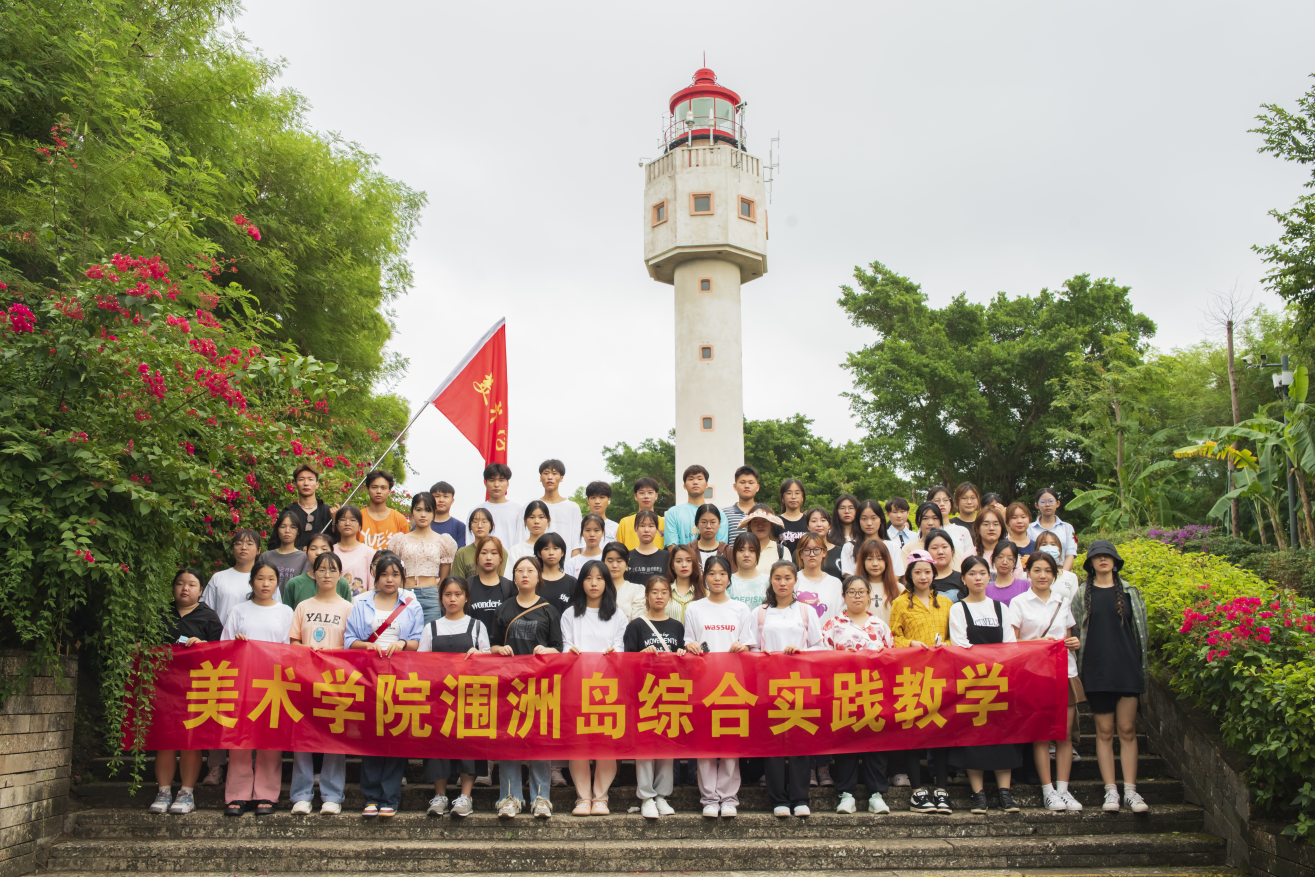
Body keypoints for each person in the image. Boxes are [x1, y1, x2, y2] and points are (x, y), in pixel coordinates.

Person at [1072, 540, 1150, 814]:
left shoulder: (1130, 592)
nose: (1103, 560)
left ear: (1115, 561)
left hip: (1126, 668)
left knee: (1127, 730)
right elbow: (1076, 630)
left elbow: (1142, 634)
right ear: (1090, 563)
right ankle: (1111, 791)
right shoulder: (1082, 594)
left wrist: (1142, 669)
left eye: (1107, 556)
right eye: (1097, 556)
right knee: (1104, 731)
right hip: (1096, 670)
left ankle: (1131, 790)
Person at [345, 552, 423, 817]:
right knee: (371, 735)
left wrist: (402, 643)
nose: (390, 579)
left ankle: (390, 797)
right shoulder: (361, 603)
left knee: (396, 734)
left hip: (400, 677)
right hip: (369, 676)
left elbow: (417, 640)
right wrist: (367, 646)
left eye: (395, 575)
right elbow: (349, 640)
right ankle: (371, 797)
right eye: (384, 575)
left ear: (402, 577)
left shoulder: (411, 604)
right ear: (375, 577)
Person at [741, 561, 822, 818]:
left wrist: (801, 651)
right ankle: (778, 799)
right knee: (773, 744)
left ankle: (800, 798)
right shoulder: (759, 613)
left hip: (801, 685)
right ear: (771, 581)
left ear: (795, 581)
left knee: (800, 743)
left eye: (787, 577)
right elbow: (750, 648)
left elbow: (819, 647)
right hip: (769, 686)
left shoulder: (807, 612)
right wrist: (761, 654)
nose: (782, 582)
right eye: (777, 578)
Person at [948, 556, 1022, 815]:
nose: (978, 578)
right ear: (963, 579)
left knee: (1004, 736)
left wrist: (995, 663)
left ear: (989, 577)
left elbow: (1010, 645)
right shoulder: (958, 609)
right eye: (972, 573)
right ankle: (978, 793)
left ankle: (1005, 793)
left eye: (982, 573)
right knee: (974, 738)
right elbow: (960, 645)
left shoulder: (1001, 608)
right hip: (972, 682)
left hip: (1000, 680)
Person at [490, 557, 562, 818]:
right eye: (519, 570)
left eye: (530, 570)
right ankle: (509, 797)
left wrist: (547, 650)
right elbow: (493, 645)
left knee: (538, 741)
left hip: (540, 686)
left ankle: (541, 798)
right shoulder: (504, 608)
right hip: (509, 685)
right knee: (509, 739)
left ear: (538, 576)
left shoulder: (549, 610)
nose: (524, 574)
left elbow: (559, 648)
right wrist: (500, 650)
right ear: (514, 577)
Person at [1012, 550, 1084, 812]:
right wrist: (1038, 643)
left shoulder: (1062, 601)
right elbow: (1012, 644)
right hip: (1034, 675)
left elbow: (1068, 636)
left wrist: (1074, 643)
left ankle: (1063, 789)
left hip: (1064, 671)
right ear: (1028, 573)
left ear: (1055, 575)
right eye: (1037, 570)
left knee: (1064, 734)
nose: (1042, 575)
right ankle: (1048, 790)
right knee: (1041, 734)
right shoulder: (1019, 602)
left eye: (1048, 571)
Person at [221, 560, 293, 817]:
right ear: (251, 582)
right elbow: (224, 646)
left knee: (270, 740)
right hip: (242, 683)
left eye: (271, 579)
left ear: (277, 583)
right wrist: (237, 643)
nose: (265, 584)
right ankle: (237, 794)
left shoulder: (285, 612)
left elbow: (289, 649)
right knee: (239, 739)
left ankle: (267, 793)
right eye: (260, 579)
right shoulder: (238, 610)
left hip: (274, 684)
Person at [682, 556, 751, 818]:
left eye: (722, 573)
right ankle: (709, 798)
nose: (717, 578)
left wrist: (743, 646)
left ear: (729, 578)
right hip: (703, 684)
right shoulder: (694, 608)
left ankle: (729, 797)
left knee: (730, 742)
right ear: (705, 577)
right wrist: (691, 645)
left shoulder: (740, 609)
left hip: (733, 685)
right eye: (712, 573)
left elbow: (749, 645)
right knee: (706, 742)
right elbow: (689, 641)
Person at [150, 569, 222, 815]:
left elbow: (222, 653)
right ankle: (163, 792)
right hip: (164, 687)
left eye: (191, 584)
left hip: (196, 688)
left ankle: (186, 793)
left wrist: (203, 646)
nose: (185, 588)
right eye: (180, 583)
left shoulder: (209, 617)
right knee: (165, 740)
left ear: (201, 590)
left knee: (190, 741)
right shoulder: (159, 614)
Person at [288, 552, 353, 816]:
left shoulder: (348, 608)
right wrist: (306, 650)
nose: (327, 574)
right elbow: (293, 641)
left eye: (332, 570)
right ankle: (301, 795)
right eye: (322, 569)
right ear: (313, 574)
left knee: (334, 737)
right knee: (302, 735)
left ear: (340, 575)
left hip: (336, 682)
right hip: (305, 679)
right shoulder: (303, 607)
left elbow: (352, 646)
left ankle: (332, 795)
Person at [888, 551, 953, 814]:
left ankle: (941, 788)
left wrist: (944, 644)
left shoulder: (947, 603)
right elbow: (893, 637)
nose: (923, 576)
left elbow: (955, 636)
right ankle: (917, 790)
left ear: (934, 574)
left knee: (941, 731)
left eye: (927, 571)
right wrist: (911, 643)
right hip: (911, 675)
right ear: (909, 575)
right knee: (913, 732)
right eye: (918, 572)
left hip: (941, 674)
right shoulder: (900, 603)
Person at [823, 575, 893, 817]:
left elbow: (892, 658)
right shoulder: (832, 625)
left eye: (862, 591)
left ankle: (876, 795)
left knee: (876, 743)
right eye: (852, 591)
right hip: (844, 693)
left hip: (875, 692)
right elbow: (821, 659)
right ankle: (846, 794)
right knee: (846, 744)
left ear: (869, 595)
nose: (857, 596)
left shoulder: (879, 625)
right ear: (843, 596)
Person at [420, 577, 490, 818]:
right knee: (437, 744)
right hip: (438, 698)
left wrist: (479, 655)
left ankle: (465, 796)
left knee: (468, 744)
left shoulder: (477, 626)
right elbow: (421, 664)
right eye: (448, 594)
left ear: (466, 597)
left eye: (458, 594)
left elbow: (489, 661)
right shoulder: (431, 628)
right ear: (441, 598)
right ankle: (440, 795)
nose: (452, 599)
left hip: (469, 697)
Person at [561, 559, 626, 815]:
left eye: (599, 578)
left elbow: (620, 646)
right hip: (577, 687)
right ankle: (582, 797)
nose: (594, 583)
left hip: (607, 688)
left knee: (605, 743)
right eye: (588, 578)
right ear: (581, 583)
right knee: (579, 743)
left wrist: (614, 653)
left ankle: (601, 797)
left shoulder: (617, 615)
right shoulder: (570, 614)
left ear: (607, 583)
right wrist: (570, 652)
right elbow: (566, 645)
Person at [625, 576, 686, 820]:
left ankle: (662, 795)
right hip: (644, 693)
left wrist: (681, 653)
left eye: (663, 592)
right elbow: (626, 662)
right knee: (645, 746)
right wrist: (641, 654)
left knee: (666, 746)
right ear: (647, 596)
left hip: (670, 691)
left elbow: (683, 660)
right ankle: (646, 796)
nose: (659, 596)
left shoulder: (677, 626)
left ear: (669, 596)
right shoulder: (636, 626)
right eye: (654, 592)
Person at [387, 492, 458, 622]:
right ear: (412, 512)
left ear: (434, 513)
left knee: (430, 633)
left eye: (428, 510)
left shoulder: (443, 541)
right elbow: (392, 570)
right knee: (404, 633)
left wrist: (438, 596)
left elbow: (444, 578)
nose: (423, 514)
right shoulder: (400, 539)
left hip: (431, 597)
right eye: (418, 510)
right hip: (404, 594)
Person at [200, 529, 262, 629]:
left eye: (249, 544)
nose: (243, 547)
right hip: (221, 635)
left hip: (255, 636)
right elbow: (205, 612)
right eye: (238, 543)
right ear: (232, 549)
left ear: (258, 550)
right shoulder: (218, 578)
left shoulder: (266, 579)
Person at [281, 533, 352, 608]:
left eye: (324, 549)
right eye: (313, 549)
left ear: (332, 553)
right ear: (306, 553)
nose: (318, 553)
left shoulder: (341, 583)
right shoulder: (294, 584)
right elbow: (288, 613)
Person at [665, 465, 729, 548]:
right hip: (683, 557)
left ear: (707, 484)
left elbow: (721, 547)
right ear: (684, 486)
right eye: (691, 479)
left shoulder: (719, 514)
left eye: (699, 478)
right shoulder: (673, 513)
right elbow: (672, 546)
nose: (695, 482)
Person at [464, 536, 514, 634]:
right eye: (484, 553)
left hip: (501, 643)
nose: (488, 557)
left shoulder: (510, 587)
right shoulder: (466, 585)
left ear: (501, 558)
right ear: (477, 557)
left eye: (494, 553)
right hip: (472, 642)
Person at [469, 463, 526, 548]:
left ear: (508, 484)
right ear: (485, 483)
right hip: (482, 556)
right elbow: (470, 540)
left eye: (501, 480)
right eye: (492, 480)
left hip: (511, 556)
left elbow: (523, 539)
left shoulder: (519, 510)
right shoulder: (476, 511)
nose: (496, 485)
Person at [842, 500, 904, 577]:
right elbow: (849, 577)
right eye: (864, 518)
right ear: (858, 521)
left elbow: (896, 576)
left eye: (873, 518)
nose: (869, 523)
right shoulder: (849, 547)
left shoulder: (893, 547)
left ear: (881, 520)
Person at [793, 532, 843, 627]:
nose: (812, 554)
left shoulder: (835, 583)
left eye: (816, 550)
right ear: (800, 554)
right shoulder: (793, 581)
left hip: (828, 634)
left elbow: (840, 615)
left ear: (824, 552)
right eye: (806, 550)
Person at [282, 463, 337, 549]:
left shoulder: (329, 512)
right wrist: (300, 550)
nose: (306, 483)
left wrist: (335, 522)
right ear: (295, 484)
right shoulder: (288, 512)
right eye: (301, 479)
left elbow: (339, 543)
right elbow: (275, 544)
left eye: (310, 479)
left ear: (317, 484)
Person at [853, 539, 904, 626]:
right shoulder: (854, 588)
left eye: (880, 559)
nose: (875, 563)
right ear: (863, 562)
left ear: (886, 561)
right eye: (870, 559)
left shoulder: (899, 588)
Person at [1027, 488, 1078, 572]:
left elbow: (1070, 554)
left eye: (1051, 501)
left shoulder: (1067, 528)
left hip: (1061, 571)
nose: (1047, 505)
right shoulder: (1029, 529)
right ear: (1037, 505)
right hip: (1037, 572)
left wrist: (1064, 574)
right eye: (1043, 502)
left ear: (1058, 503)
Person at [536, 459, 582, 550]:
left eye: (554, 473)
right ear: (540, 477)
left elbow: (578, 543)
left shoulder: (572, 508)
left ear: (561, 478)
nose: (550, 477)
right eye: (546, 473)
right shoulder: (532, 506)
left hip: (566, 558)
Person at [359, 469, 411, 551]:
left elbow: (405, 551)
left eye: (383, 488)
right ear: (367, 489)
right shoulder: (357, 517)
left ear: (389, 491)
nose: (378, 491)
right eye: (374, 487)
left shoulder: (400, 520)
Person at [260, 511, 308, 591]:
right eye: (283, 526)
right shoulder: (266, 556)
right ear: (277, 530)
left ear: (298, 531)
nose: (287, 530)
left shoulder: (304, 558)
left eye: (292, 527)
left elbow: (304, 587)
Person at [332, 505, 374, 595]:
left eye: (353, 520)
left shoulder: (369, 552)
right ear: (336, 525)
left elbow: (372, 586)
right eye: (342, 519)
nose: (347, 523)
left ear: (360, 526)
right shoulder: (330, 551)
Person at [452, 508, 504, 579]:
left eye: (484, 522)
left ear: (491, 525)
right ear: (470, 526)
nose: (479, 526)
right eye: (475, 522)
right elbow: (457, 582)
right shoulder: (462, 553)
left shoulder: (501, 551)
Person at [616, 477, 666, 549]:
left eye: (650, 492)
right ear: (636, 496)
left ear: (656, 496)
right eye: (642, 493)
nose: (646, 496)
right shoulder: (625, 523)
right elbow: (619, 550)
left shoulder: (664, 523)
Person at [663, 542, 706, 624]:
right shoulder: (663, 593)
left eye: (689, 561)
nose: (684, 565)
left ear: (694, 563)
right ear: (672, 565)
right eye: (678, 561)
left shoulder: (705, 594)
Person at [741, 504, 790, 576]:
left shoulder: (782, 551)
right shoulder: (741, 551)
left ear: (771, 524)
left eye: (764, 521)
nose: (760, 525)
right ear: (749, 524)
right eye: (755, 521)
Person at [625, 510, 669, 587]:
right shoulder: (627, 556)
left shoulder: (667, 557)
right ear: (635, 528)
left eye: (651, 526)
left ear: (657, 529)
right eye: (642, 526)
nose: (646, 530)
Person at [536, 532, 577, 613]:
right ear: (539, 553)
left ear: (562, 553)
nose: (551, 553)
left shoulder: (572, 582)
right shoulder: (533, 580)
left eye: (555, 548)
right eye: (546, 549)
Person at [603, 541, 644, 621]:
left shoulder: (636, 590)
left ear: (627, 563)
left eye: (619, 561)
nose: (614, 565)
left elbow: (637, 622)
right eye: (610, 561)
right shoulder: (597, 588)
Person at [726, 533, 767, 610]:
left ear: (758, 553)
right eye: (741, 550)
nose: (746, 554)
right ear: (734, 553)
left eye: (752, 550)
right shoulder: (727, 581)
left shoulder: (768, 581)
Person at [505, 500, 552, 568]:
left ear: (548, 521)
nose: (536, 521)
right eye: (532, 517)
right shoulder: (515, 550)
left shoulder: (554, 549)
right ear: (525, 521)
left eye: (541, 517)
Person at [1035, 530, 1079, 600]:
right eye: (1044, 545)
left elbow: (1075, 604)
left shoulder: (1071, 577)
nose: (1049, 547)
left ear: (1059, 549)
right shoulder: (1028, 576)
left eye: (1053, 545)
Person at [925, 529, 966, 602]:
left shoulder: (963, 579)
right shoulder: (919, 580)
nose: (940, 552)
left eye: (944, 547)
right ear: (926, 552)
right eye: (934, 548)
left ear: (952, 551)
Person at [577, 481, 620, 550]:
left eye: (602, 497)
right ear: (588, 501)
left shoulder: (616, 528)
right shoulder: (579, 526)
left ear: (608, 500)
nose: (597, 501)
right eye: (593, 497)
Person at [722, 465, 761, 539]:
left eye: (751, 483)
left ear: (757, 487)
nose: (747, 486)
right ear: (735, 486)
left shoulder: (764, 512)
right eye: (742, 482)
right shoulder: (724, 513)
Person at [687, 504, 731, 568]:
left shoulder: (728, 551)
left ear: (719, 523)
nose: (708, 526)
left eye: (713, 522)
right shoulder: (688, 549)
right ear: (697, 524)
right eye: (704, 522)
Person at [803, 507, 842, 579]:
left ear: (829, 525)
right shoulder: (802, 552)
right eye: (814, 521)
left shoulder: (840, 551)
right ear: (808, 526)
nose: (819, 524)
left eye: (823, 520)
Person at [565, 513, 607, 577]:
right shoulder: (572, 563)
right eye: (588, 530)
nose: (592, 534)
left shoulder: (608, 560)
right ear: (582, 533)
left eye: (596, 530)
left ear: (603, 533)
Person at [428, 480, 467, 547]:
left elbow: (460, 552)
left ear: (452, 500)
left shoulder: (459, 526)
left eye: (445, 496)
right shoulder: (421, 524)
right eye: (437, 496)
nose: (441, 500)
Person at [775, 478, 808, 554]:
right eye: (789, 493)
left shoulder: (809, 521)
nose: (793, 496)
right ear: (782, 498)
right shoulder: (776, 522)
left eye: (797, 493)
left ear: (802, 497)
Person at [1004, 501, 1036, 566]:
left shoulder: (1036, 546)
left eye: (1023, 517)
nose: (1019, 521)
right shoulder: (1001, 545)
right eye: (1014, 518)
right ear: (1007, 522)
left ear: (1029, 519)